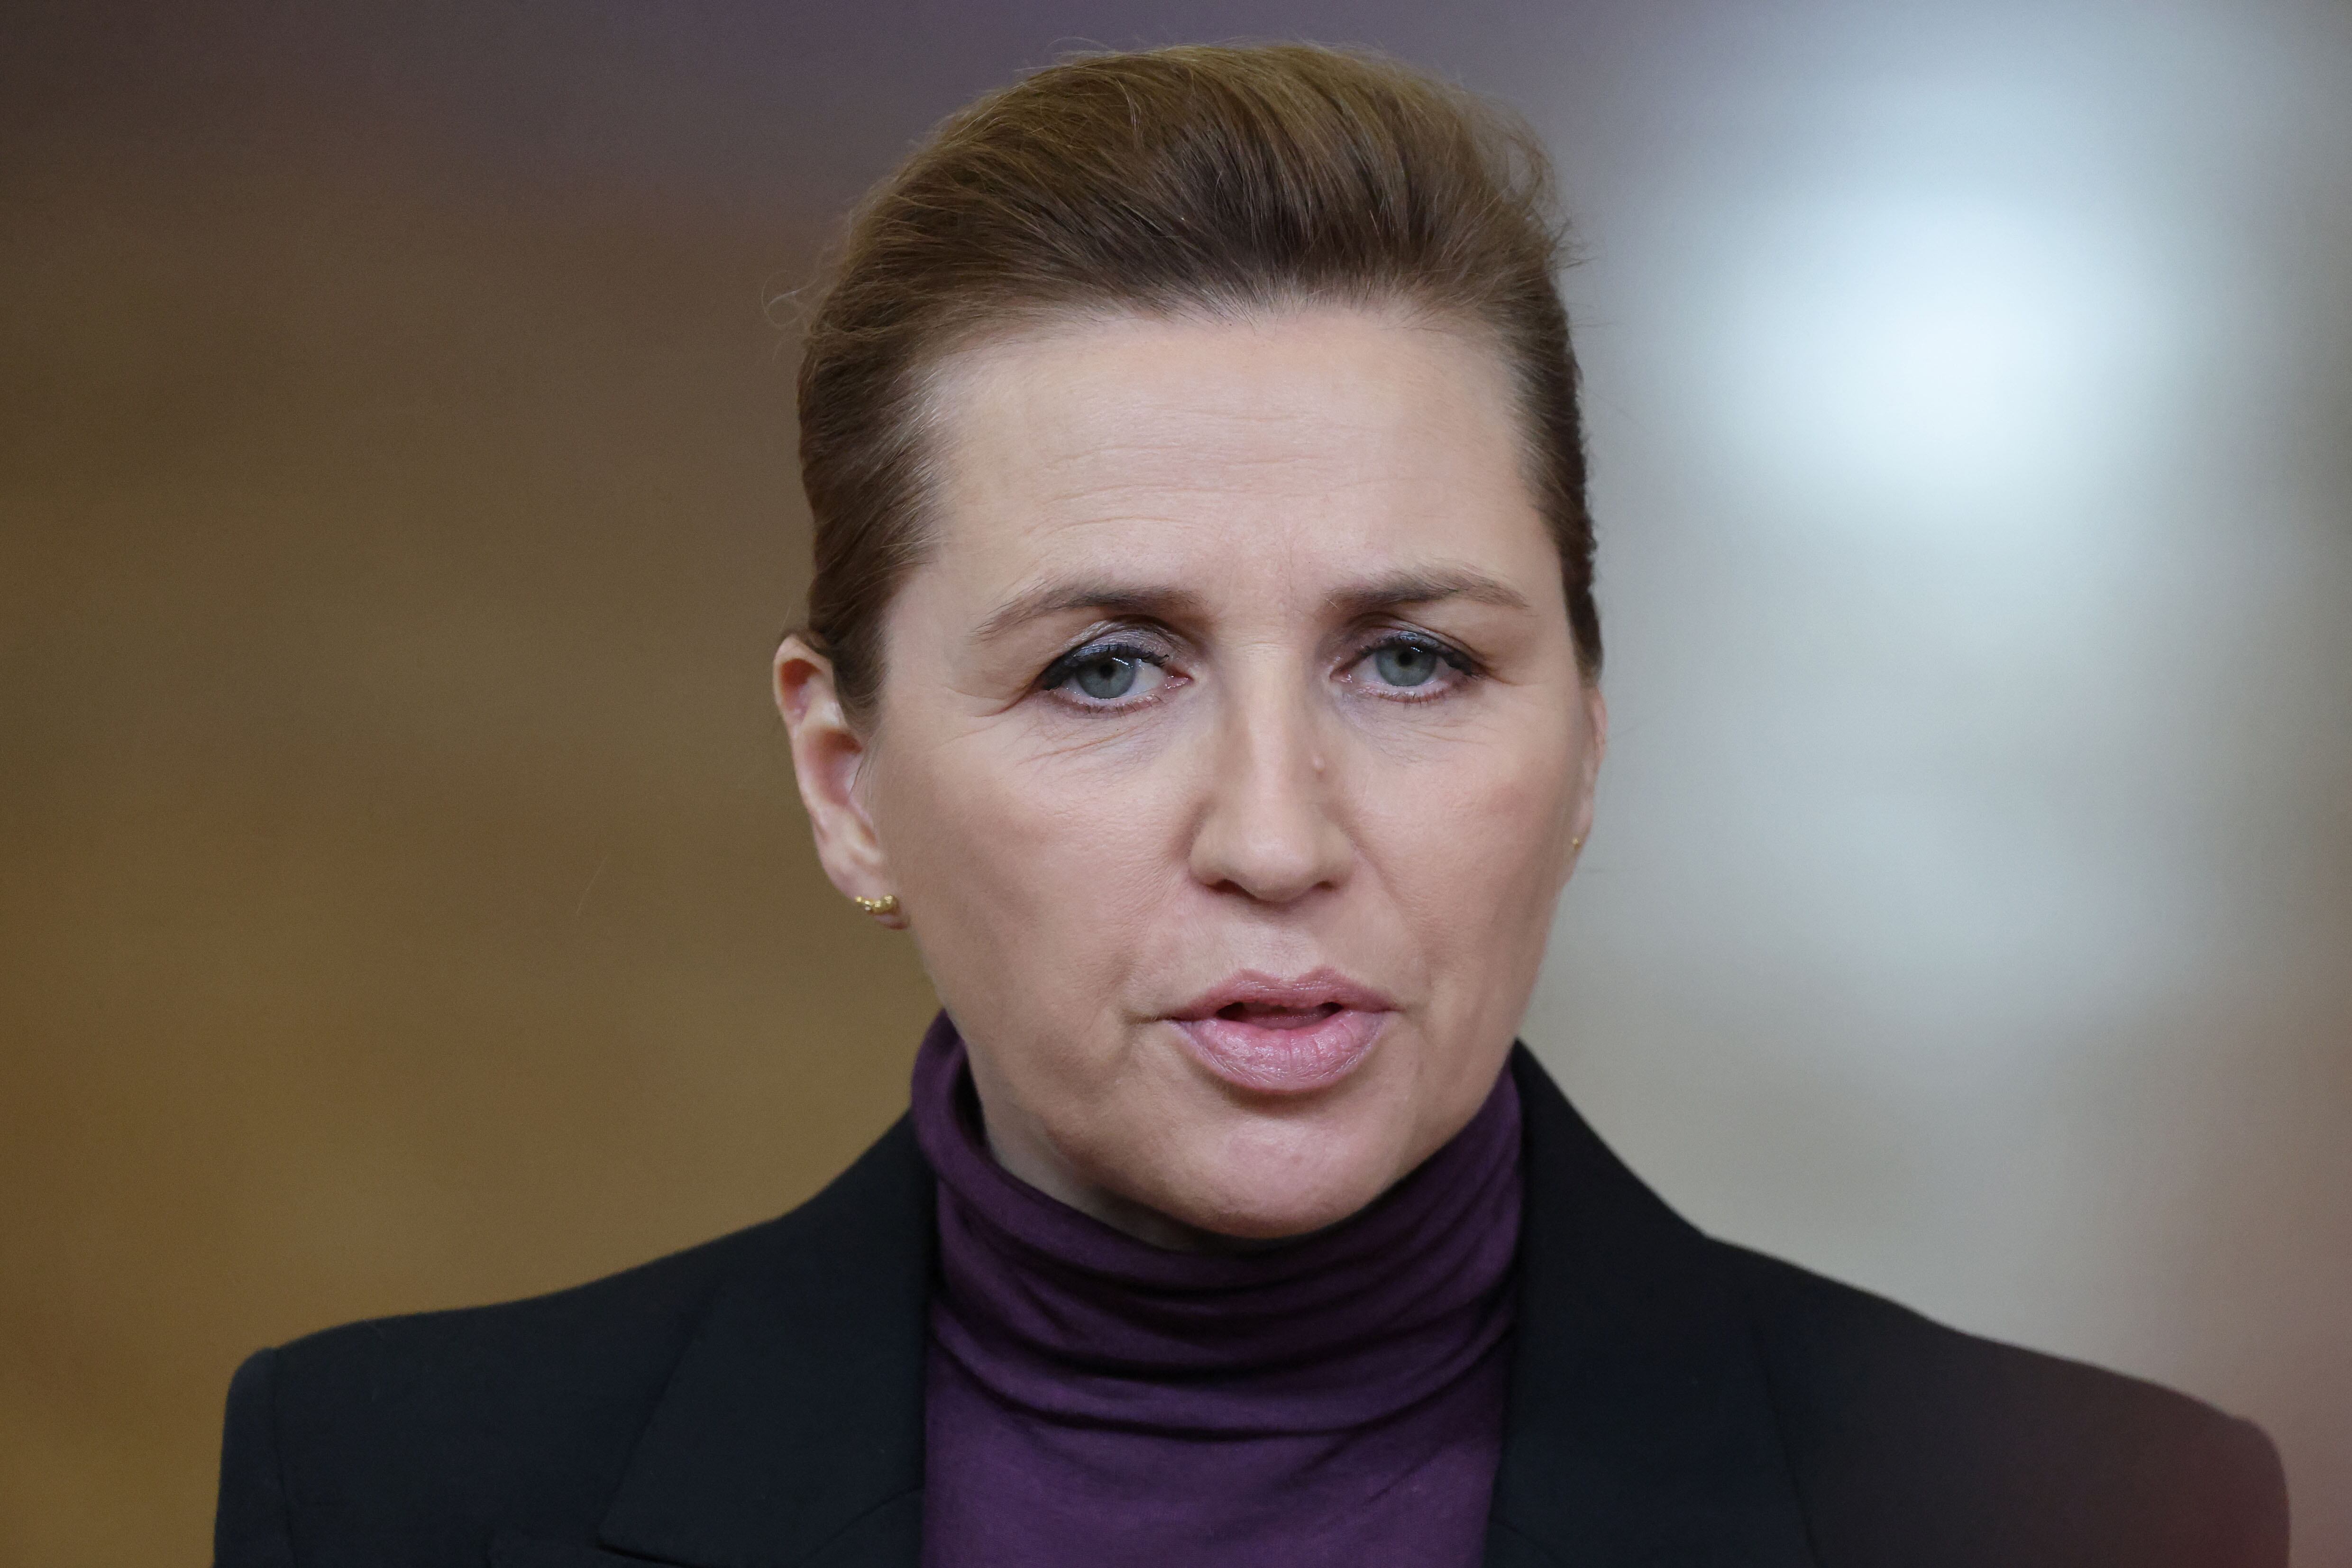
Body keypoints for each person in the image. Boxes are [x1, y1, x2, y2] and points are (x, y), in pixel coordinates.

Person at [212, 43, 2287, 1568]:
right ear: (847, 785)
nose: (1276, 832)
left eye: (1411, 660)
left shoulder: (2088, 1513)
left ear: (1583, 737)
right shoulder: (400, 1492)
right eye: (1104, 666)